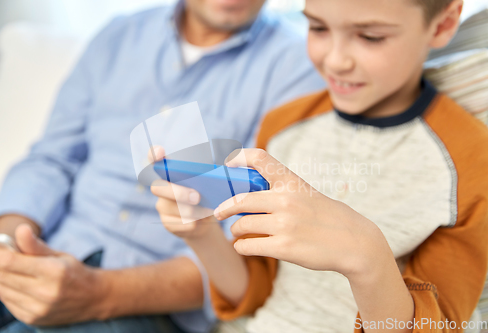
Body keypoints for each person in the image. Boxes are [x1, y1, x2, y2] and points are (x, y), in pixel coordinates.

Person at [0, 0, 325, 332]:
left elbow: (244, 253)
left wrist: (98, 293)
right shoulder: (118, 35)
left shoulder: (297, 68)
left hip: (146, 301)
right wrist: (4, 247)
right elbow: (52, 158)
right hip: (45, 252)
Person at [155, 0, 488, 332]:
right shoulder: (285, 124)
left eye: (370, 37)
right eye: (318, 28)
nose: (335, 60)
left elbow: (437, 324)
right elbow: (257, 290)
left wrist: (368, 260)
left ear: (443, 25)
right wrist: (201, 234)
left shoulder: (472, 159)